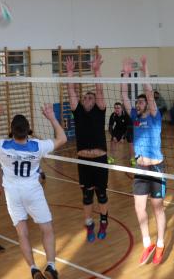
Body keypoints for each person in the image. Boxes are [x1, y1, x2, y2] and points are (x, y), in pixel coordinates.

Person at [0, 103, 67, 279]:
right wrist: (51, 117)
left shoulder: (2, 145)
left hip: (13, 194)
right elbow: (62, 138)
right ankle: (51, 266)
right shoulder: (38, 146)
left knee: (22, 233)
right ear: (28, 130)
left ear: (11, 130)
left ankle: (33, 269)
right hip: (32, 191)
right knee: (47, 229)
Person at [121, 56, 167, 265]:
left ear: (148, 105)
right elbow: (123, 95)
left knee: (157, 208)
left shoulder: (154, 117)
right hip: (140, 169)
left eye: (141, 102)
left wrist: (145, 70)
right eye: (137, 102)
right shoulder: (135, 118)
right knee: (139, 208)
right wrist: (125, 74)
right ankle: (147, 243)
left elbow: (149, 92)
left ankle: (160, 244)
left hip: (156, 169)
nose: (138, 104)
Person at [65, 54, 110, 243]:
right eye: (85, 97)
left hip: (100, 160)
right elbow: (71, 92)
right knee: (87, 196)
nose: (88, 98)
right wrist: (69, 72)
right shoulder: (78, 112)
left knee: (101, 194)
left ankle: (104, 222)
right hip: (83, 161)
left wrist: (96, 70)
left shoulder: (100, 111)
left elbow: (99, 90)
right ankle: (89, 224)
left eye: (90, 97)